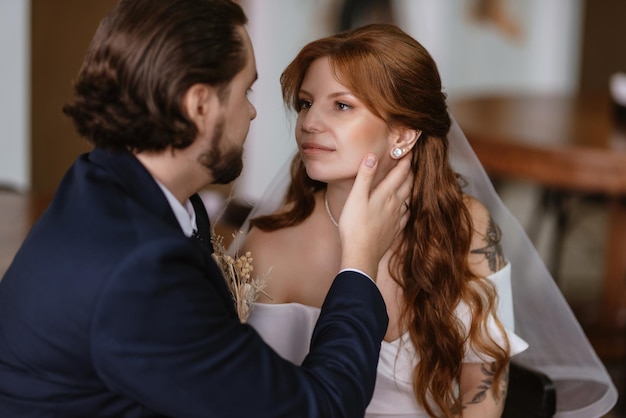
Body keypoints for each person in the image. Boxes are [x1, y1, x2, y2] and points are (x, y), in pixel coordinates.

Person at [0, 2, 415, 416]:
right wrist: (361, 261)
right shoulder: (139, 274)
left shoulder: (105, 181)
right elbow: (320, 408)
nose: (253, 112)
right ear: (200, 104)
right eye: (245, 91)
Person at [239, 23, 618, 417]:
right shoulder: (269, 245)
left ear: (403, 133)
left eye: (341, 105)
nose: (309, 122)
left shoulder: (465, 229)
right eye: (305, 102)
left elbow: (483, 385)